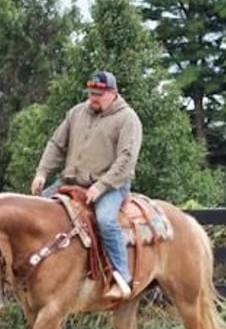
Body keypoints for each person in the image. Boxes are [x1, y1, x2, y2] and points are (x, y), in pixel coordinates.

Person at [30, 70, 143, 300]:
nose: (93, 98)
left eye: (99, 94)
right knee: (35, 213)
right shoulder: (76, 113)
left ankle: (122, 276)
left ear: (114, 93)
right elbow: (56, 144)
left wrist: (101, 186)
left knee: (105, 220)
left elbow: (126, 159)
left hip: (112, 185)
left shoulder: (127, 118)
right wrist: (42, 173)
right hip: (71, 181)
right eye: (91, 93)